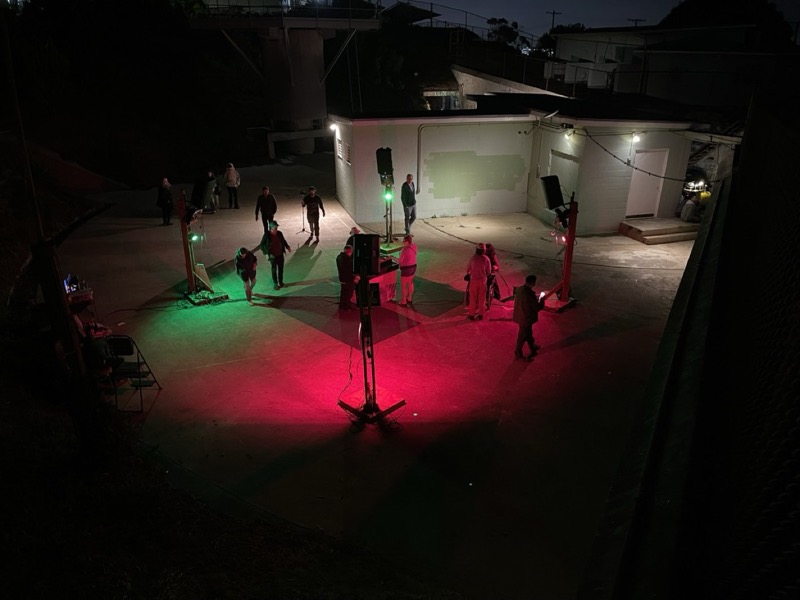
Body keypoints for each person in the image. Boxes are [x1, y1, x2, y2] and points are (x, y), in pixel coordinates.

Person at [512, 274, 545, 360]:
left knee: (528, 333)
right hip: (526, 318)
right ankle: (518, 353)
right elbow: (537, 307)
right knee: (522, 336)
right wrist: (541, 299)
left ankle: (532, 347)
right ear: (532, 283)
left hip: (520, 315)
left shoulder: (519, 289)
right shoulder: (529, 294)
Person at [259, 221, 291, 290]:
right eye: (275, 228)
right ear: (270, 228)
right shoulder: (267, 235)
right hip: (272, 256)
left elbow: (283, 240)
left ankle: (281, 282)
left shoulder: (279, 233)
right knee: (274, 269)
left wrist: (287, 246)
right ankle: (275, 283)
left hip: (280, 254)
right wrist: (266, 253)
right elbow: (261, 245)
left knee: (281, 269)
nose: (276, 229)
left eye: (276, 227)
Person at [465, 242, 492, 320]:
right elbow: (489, 272)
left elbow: (468, 269)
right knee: (482, 298)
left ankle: (471, 314)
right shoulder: (486, 259)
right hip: (483, 281)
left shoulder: (473, 258)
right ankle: (481, 314)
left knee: (472, 298)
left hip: (473, 281)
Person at [336, 244, 360, 311]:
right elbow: (349, 271)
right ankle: (347, 307)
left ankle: (342, 305)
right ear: (349, 251)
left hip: (342, 278)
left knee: (343, 293)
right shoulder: (348, 260)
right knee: (348, 294)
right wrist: (355, 278)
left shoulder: (339, 257)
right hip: (348, 280)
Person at [397, 234, 417, 306]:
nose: (403, 242)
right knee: (410, 283)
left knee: (404, 285)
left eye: (404, 241)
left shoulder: (404, 250)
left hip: (406, 269)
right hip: (413, 267)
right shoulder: (414, 246)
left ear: (407, 241)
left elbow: (400, 261)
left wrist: (391, 258)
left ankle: (403, 301)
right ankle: (409, 298)